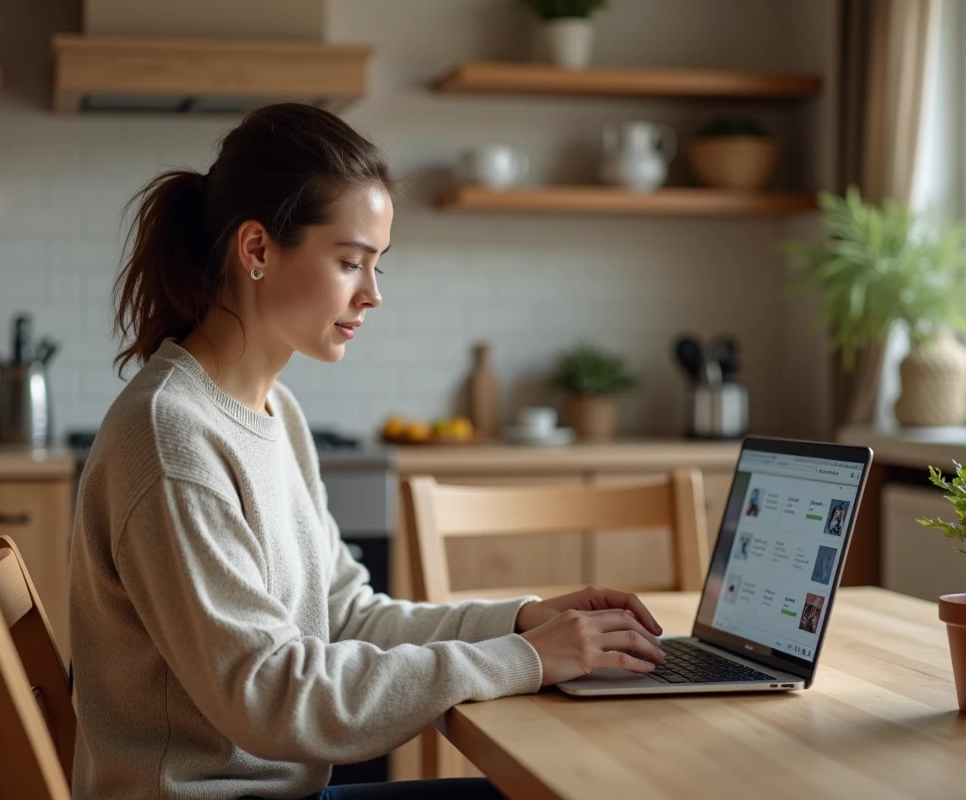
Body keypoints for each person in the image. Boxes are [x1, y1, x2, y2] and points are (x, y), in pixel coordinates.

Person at [69, 102, 668, 800]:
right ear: (256, 249)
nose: (373, 295)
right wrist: (521, 659)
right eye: (351, 262)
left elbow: (349, 615)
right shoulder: (173, 437)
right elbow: (270, 698)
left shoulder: (274, 412)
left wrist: (521, 620)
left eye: (377, 265)